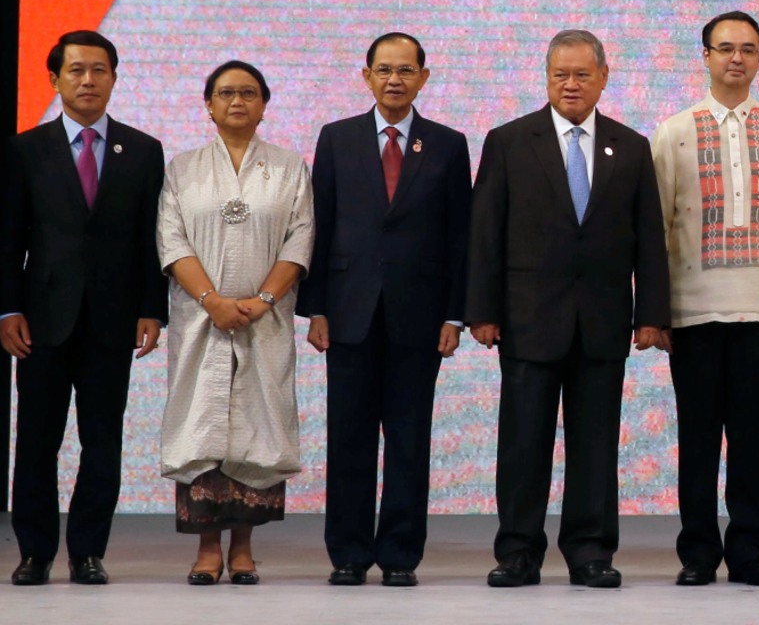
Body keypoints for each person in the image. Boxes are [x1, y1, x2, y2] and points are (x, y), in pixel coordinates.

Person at [465, 29, 670, 589]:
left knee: (596, 443)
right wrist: (479, 310)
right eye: (561, 75)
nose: (572, 84)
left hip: (603, 322)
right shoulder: (508, 141)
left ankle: (590, 551)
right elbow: (485, 233)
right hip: (528, 320)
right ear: (546, 77)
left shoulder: (630, 146)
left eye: (583, 74)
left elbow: (649, 238)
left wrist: (652, 314)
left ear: (603, 76)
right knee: (523, 441)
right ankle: (517, 552)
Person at [301, 32, 472, 587]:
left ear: (424, 76)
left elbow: (459, 238)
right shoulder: (337, 138)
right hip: (349, 313)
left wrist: (455, 314)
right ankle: (348, 552)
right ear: (367, 76)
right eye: (383, 69)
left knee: (408, 439)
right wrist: (316, 308)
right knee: (348, 438)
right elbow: (318, 227)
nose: (394, 79)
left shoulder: (448, 143)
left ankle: (400, 553)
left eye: (405, 70)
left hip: (419, 317)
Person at [1, 30, 167, 587]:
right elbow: (9, 238)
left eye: (99, 70)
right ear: (55, 79)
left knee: (103, 441)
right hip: (42, 319)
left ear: (115, 78)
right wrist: (6, 310)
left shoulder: (143, 150)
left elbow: (150, 239)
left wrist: (152, 309)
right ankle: (35, 552)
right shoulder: (26, 149)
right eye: (76, 70)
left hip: (113, 319)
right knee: (37, 442)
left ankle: (89, 552)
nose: (88, 80)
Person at [651, 11, 759, 587]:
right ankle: (696, 554)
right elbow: (660, 226)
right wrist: (658, 310)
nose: (736, 59)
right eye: (725, 49)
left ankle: (750, 553)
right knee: (697, 435)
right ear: (705, 56)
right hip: (692, 307)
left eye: (748, 49)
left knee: (754, 435)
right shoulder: (675, 130)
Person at [157, 61, 314, 586]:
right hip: (201, 319)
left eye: (248, 93)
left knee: (257, 423)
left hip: (265, 320)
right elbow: (171, 239)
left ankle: (244, 548)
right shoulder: (183, 168)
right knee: (204, 422)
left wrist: (265, 298)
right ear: (208, 105)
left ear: (265, 103)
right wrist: (211, 300)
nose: (237, 102)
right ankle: (206, 548)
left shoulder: (290, 167)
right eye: (225, 93)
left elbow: (300, 237)